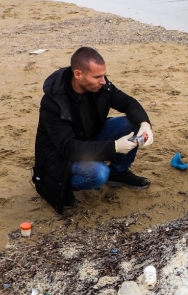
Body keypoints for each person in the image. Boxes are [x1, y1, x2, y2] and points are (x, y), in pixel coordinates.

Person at [33, 47, 154, 214]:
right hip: (60, 155)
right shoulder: (53, 102)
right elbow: (69, 148)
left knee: (131, 123)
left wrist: (145, 124)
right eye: (97, 77)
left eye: (103, 75)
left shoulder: (100, 86)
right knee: (98, 174)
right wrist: (115, 148)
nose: (103, 81)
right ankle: (62, 186)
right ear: (78, 74)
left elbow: (128, 103)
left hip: (88, 137)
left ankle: (118, 174)